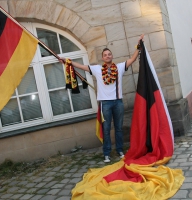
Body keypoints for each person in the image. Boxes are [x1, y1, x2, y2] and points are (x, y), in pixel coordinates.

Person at [60, 34, 144, 162]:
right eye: (105, 55)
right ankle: (107, 153)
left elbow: (133, 58)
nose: (107, 56)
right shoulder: (97, 69)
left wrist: (139, 44)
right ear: (102, 58)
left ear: (112, 56)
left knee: (119, 128)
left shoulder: (120, 67)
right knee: (106, 130)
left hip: (118, 102)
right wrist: (67, 61)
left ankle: (120, 150)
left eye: (109, 54)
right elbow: (81, 66)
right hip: (105, 104)